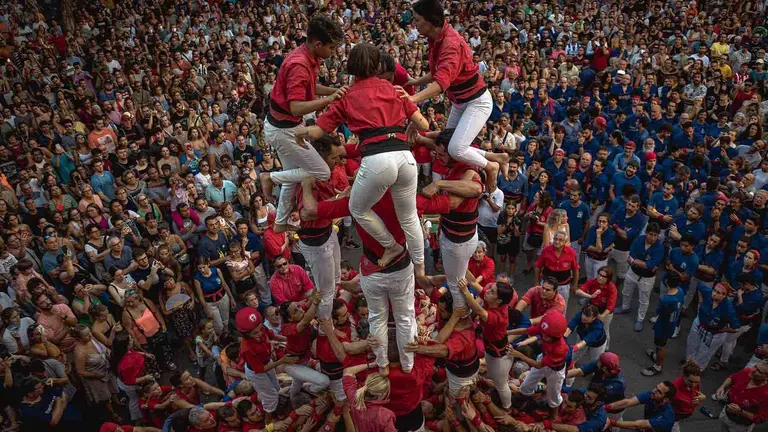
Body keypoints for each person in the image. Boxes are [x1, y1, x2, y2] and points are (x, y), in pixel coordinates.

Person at [296, 43, 429, 273]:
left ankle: (391, 246)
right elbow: (423, 124)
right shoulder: (393, 89)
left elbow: (316, 132)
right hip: (405, 158)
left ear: (350, 67)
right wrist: (409, 126)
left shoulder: (347, 95)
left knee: (358, 209)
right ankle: (421, 268)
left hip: (378, 160)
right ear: (378, 65)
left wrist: (299, 133)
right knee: (408, 217)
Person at [406, 0, 507, 187]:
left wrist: (413, 98)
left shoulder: (450, 44)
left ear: (430, 21)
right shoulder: (436, 38)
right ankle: (497, 157)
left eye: (418, 20)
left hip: (477, 101)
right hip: (460, 102)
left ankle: (490, 166)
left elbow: (441, 83)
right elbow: (438, 71)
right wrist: (416, 82)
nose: (414, 24)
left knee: (456, 149)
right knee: (445, 145)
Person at [259, 15, 347, 230]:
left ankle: (280, 222)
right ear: (318, 44)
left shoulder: (308, 56)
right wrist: (328, 100)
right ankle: (270, 177)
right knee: (322, 172)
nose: (333, 52)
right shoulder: (299, 64)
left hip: (284, 126)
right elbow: (296, 106)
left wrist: (334, 91)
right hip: (284, 129)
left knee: (292, 176)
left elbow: (310, 87)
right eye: (332, 47)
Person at [458, 278, 515, 409]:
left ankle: (508, 408)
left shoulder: (498, 316)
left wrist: (466, 292)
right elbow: (473, 282)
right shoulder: (493, 301)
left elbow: (478, 311)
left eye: (492, 291)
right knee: (496, 378)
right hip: (492, 349)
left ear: (498, 300)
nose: (487, 291)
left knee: (501, 384)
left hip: (499, 356)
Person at [236, 307, 298, 423]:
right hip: (257, 372)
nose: (259, 333)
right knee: (270, 397)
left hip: (267, 361)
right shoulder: (247, 348)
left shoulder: (260, 327)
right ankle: (268, 421)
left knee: (276, 387)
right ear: (245, 334)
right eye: (255, 333)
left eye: (260, 329)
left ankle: (278, 408)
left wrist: (289, 339)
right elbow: (259, 369)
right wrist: (281, 361)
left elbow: (272, 335)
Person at [508, 311, 570, 412]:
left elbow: (538, 365)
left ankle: (553, 416)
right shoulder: (546, 330)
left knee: (553, 396)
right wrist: (507, 332)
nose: (543, 337)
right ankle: (525, 401)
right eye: (543, 334)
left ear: (556, 337)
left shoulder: (560, 349)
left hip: (555, 370)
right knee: (525, 387)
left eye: (547, 336)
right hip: (544, 358)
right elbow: (526, 331)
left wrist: (519, 355)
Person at [614, 222, 664, 332]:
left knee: (644, 299)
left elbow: (650, 265)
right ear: (646, 233)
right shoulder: (639, 240)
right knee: (626, 291)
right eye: (651, 234)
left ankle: (640, 319)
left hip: (647, 278)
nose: (653, 237)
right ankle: (624, 307)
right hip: (633, 272)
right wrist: (643, 263)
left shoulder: (659, 247)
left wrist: (635, 262)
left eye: (656, 235)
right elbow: (632, 253)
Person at [685, 282, 741, 369]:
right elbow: (699, 286)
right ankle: (688, 364)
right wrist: (700, 302)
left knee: (704, 354)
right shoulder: (708, 292)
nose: (714, 294)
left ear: (724, 296)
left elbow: (736, 327)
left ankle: (697, 370)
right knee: (691, 346)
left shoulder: (728, 308)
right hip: (699, 324)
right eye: (714, 290)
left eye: (718, 293)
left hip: (713, 334)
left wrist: (723, 330)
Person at [642, 276, 684, 377]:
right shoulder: (680, 291)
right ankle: (656, 356)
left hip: (663, 326)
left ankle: (657, 366)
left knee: (661, 346)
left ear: (667, 282)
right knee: (660, 344)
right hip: (671, 323)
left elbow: (658, 312)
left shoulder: (667, 299)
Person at [712, 361, 768, 431]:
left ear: (766, 377)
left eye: (759, 372)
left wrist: (740, 411)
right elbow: (732, 378)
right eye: (755, 367)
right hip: (725, 414)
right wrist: (722, 387)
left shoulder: (766, 394)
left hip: (740, 426)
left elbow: (760, 418)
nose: (753, 370)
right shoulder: (746, 372)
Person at [604, 381, 676, 432]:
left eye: (659, 392)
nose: (654, 391)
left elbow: (638, 425)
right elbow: (627, 402)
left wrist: (611, 423)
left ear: (666, 399)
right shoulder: (652, 395)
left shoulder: (666, 417)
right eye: (656, 387)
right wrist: (605, 407)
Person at [535, 229, 579, 310]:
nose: (557, 242)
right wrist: (537, 282)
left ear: (565, 242)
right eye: (555, 239)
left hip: (563, 286)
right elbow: (538, 267)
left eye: (560, 240)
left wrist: (575, 285)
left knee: (562, 307)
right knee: (543, 306)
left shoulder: (571, 252)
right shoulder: (546, 250)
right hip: (546, 285)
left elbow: (575, 269)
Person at [193, 257, 236, 336]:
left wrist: (231, 298)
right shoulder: (197, 279)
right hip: (210, 303)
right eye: (200, 268)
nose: (202, 270)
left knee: (225, 320)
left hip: (223, 298)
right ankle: (219, 336)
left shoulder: (216, 271)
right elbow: (200, 296)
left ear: (208, 264)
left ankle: (226, 335)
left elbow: (224, 285)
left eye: (204, 267)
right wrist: (206, 309)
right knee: (218, 325)